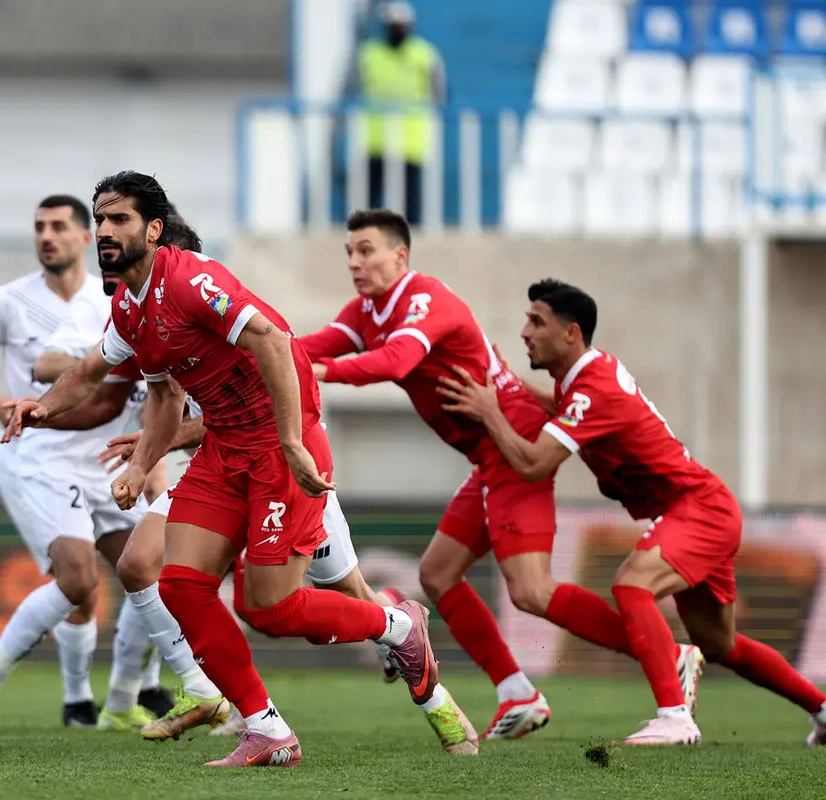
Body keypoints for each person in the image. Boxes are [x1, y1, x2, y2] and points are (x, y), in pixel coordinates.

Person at [3, 171, 434, 768]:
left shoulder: (190, 280)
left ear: (153, 229)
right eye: (99, 219)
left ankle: (396, 628)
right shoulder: (127, 305)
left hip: (281, 446)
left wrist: (291, 441)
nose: (104, 230)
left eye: (118, 219)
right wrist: (44, 410)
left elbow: (275, 344)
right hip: (225, 449)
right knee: (179, 584)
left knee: (272, 609)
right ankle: (267, 729)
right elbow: (119, 383)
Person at [298, 210, 703, 739]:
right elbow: (313, 344)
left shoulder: (427, 302)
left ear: (400, 255)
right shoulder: (367, 311)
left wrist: (312, 372)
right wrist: (260, 353)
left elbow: (396, 363)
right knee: (438, 573)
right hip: (489, 457)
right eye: (349, 251)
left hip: (512, 445)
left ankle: (665, 654)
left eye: (366, 250)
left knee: (531, 591)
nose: (354, 261)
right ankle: (518, 693)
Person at [438, 278, 826, 747]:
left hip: (697, 510)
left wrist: (489, 411)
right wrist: (504, 385)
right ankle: (822, 708)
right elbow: (559, 409)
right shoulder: (581, 379)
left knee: (631, 583)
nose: (525, 331)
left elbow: (534, 463)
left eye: (536, 321)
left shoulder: (591, 389)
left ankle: (675, 717)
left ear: (571, 333)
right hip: (703, 509)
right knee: (721, 644)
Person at [102, 403, 479, 756]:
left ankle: (434, 695)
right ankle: (210, 691)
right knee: (140, 563)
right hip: (215, 471)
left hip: (282, 467)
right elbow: (132, 386)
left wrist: (158, 442)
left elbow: (251, 412)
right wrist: (50, 406)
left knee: (326, 598)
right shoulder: (143, 335)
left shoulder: (242, 336)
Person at [0, 194, 159, 730]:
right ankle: (4, 682)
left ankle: (120, 698)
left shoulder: (116, 294)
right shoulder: (9, 301)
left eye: (58, 227)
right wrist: (3, 404)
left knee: (148, 569)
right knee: (78, 579)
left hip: (103, 459)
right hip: (41, 455)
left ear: (84, 237)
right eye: (39, 227)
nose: (46, 236)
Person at [358, 1, 446, 226]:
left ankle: (409, 234)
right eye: (393, 25)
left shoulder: (424, 55)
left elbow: (439, 93)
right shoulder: (370, 54)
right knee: (371, 196)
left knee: (410, 197)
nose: (397, 30)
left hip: (410, 139)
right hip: (377, 137)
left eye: (401, 25)